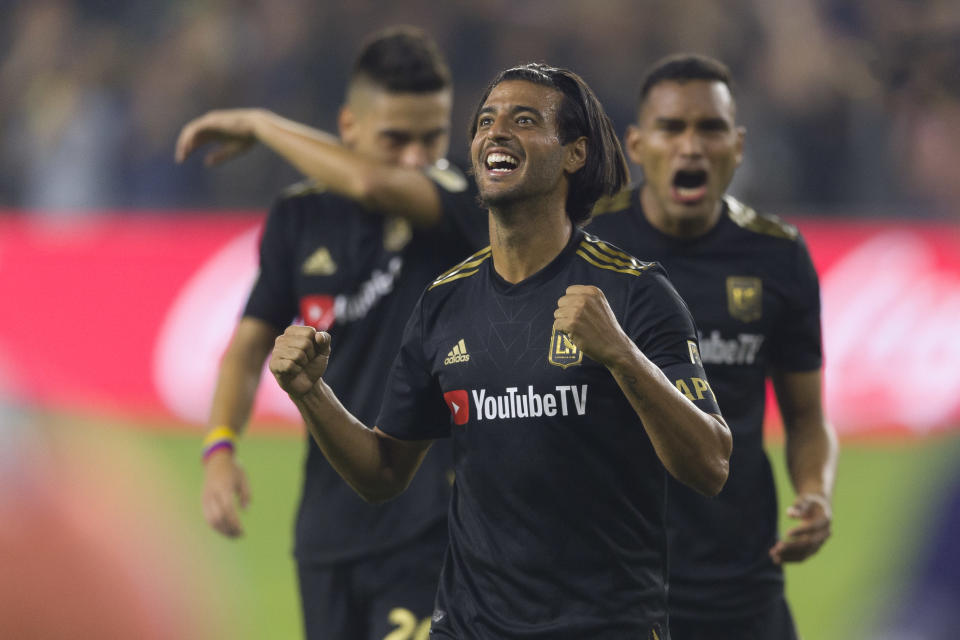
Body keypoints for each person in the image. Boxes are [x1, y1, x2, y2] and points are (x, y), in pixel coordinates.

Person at [269, 62, 733, 639]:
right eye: (485, 121)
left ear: (574, 154)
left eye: (525, 120)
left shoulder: (635, 292)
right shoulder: (444, 302)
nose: (496, 132)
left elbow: (711, 464)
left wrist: (621, 355)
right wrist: (312, 394)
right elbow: (383, 473)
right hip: (470, 628)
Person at [177, 27, 485, 640]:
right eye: (395, 138)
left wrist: (263, 125)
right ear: (349, 127)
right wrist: (219, 449)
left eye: (433, 136)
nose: (417, 156)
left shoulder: (462, 199)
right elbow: (245, 350)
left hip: (429, 526)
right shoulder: (300, 216)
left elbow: (373, 183)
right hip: (327, 534)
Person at [587, 54, 839, 639]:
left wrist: (815, 495)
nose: (691, 146)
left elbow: (805, 417)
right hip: (616, 585)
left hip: (741, 583)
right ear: (637, 143)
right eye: (672, 128)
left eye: (711, 128)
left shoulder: (778, 256)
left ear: (739, 144)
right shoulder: (589, 244)